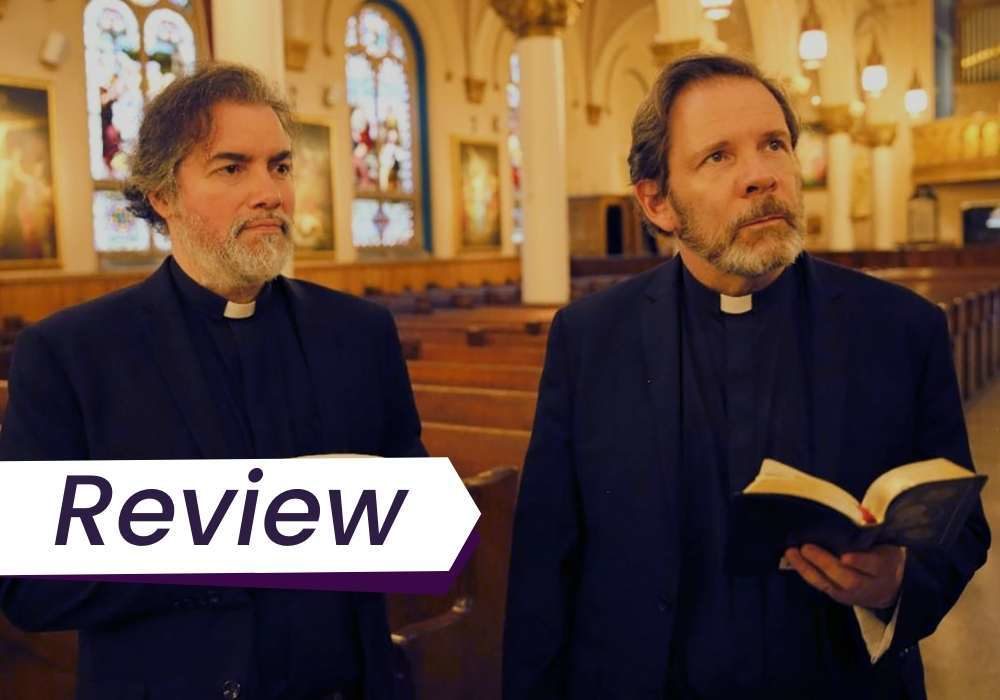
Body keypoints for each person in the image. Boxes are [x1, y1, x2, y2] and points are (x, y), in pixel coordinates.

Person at [502, 54, 990, 699]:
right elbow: (545, 562)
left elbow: (961, 528)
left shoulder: (900, 329)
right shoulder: (590, 338)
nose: (761, 176)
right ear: (657, 202)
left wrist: (897, 584)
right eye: (718, 157)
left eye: (774, 145)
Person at [0, 63, 424, 700]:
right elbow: (27, 585)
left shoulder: (359, 334)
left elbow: (415, 524)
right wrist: (247, 536)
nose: (270, 192)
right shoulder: (70, 355)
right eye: (233, 168)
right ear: (163, 193)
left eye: (280, 166)